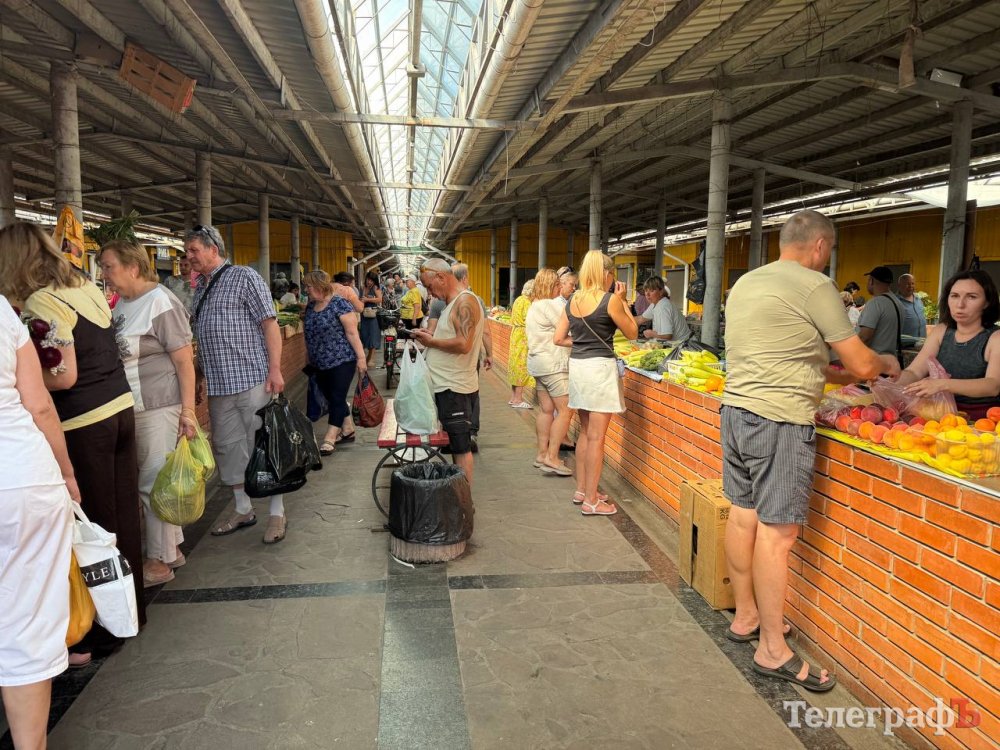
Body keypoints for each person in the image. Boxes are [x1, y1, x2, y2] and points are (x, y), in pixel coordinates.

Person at [722, 210, 900, 694]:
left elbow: (788, 354)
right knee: (778, 535)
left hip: (736, 411)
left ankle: (746, 616)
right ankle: (772, 649)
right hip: (779, 420)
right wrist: (885, 363)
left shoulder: (748, 283)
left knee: (743, 516)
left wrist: (835, 372)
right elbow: (861, 362)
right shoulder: (814, 285)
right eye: (830, 250)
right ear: (820, 245)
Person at [0, 222, 144, 666]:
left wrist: (19, 377)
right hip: (120, 408)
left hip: (84, 422)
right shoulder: (84, 286)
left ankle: (100, 632)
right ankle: (130, 612)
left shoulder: (42, 301)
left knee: (94, 526)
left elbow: (64, 376)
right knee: (123, 518)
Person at [0, 293, 78, 749]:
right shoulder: (1, 311)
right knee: (25, 626)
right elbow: (40, 404)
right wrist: (66, 472)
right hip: (21, 478)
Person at [98, 240, 197, 588]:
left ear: (133, 267)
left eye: (108, 266)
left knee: (154, 485)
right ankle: (172, 549)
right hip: (134, 405)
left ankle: (158, 560)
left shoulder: (160, 301)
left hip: (159, 406)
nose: (103, 274)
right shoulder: (122, 304)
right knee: (157, 481)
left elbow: (184, 361)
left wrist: (188, 412)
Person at [185, 225, 288, 545]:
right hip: (219, 386)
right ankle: (243, 508)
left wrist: (275, 370)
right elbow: (203, 337)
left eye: (193, 250)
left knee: (264, 446)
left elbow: (270, 325)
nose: (189, 257)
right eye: (187, 251)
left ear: (213, 249)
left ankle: (277, 512)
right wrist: (199, 376)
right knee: (228, 449)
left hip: (252, 379)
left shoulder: (245, 277)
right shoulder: (200, 288)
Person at [554, 250, 638, 515]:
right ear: (606, 274)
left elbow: (558, 338)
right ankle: (591, 501)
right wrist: (623, 301)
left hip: (578, 367)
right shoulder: (609, 300)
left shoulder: (573, 300)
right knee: (597, 438)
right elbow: (633, 332)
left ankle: (582, 489)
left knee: (585, 433)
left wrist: (581, 343)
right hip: (600, 369)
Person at [413, 259, 484, 485]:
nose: (430, 293)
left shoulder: (465, 302)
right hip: (449, 388)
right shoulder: (452, 303)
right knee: (455, 446)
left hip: (455, 389)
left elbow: (464, 344)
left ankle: (464, 500)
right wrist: (432, 336)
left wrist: (431, 342)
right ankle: (458, 494)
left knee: (461, 449)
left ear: (441, 277)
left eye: (430, 286)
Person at [896, 270, 1000, 420]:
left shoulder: (995, 338)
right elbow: (915, 372)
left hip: (982, 421)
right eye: (955, 296)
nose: (960, 304)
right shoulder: (941, 331)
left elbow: (993, 385)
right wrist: (890, 380)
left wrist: (942, 384)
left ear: (987, 302)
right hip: (939, 415)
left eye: (971, 297)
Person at [303, 270, 367, 455]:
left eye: (308, 286)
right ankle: (347, 429)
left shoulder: (340, 304)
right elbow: (309, 334)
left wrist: (361, 358)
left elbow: (352, 333)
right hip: (318, 362)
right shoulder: (311, 306)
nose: (306, 290)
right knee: (331, 397)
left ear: (319, 285)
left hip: (342, 360)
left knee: (337, 397)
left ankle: (330, 438)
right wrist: (308, 355)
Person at [526, 268, 573, 476]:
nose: (560, 288)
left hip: (538, 364)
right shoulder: (551, 305)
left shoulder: (534, 305)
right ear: (552, 286)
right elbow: (567, 329)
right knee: (566, 410)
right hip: (554, 366)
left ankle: (542, 453)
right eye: (557, 285)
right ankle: (552, 457)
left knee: (546, 410)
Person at [857, 266, 904, 361]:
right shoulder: (898, 303)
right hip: (891, 361)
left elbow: (864, 337)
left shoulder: (876, 303)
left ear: (871, 281)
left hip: (874, 362)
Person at [508, 280, 535, 409]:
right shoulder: (527, 302)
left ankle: (513, 398)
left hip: (516, 335)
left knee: (515, 365)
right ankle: (518, 400)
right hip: (523, 336)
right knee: (521, 366)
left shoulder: (518, 300)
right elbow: (531, 320)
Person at [637, 276, 690, 342]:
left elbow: (667, 336)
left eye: (651, 291)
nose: (647, 294)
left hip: (683, 345)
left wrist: (651, 333)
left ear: (661, 291)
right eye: (646, 291)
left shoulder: (662, 307)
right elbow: (640, 319)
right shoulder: (655, 304)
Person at [359, 271, 383, 367]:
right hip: (364, 315)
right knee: (364, 335)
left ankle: (371, 358)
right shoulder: (362, 288)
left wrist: (367, 299)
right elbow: (359, 299)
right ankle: (368, 356)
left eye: (371, 280)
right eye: (368, 279)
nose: (369, 282)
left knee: (373, 335)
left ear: (374, 281)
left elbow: (380, 299)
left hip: (373, 316)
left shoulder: (376, 288)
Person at [894, 273, 926, 338]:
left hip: (921, 341)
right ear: (899, 285)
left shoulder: (918, 299)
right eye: (907, 284)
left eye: (912, 283)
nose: (910, 286)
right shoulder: (894, 302)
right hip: (905, 343)